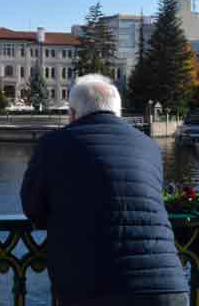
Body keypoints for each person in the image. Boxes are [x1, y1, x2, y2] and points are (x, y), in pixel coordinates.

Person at [20, 74, 188, 306]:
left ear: (72, 114)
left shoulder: (53, 144)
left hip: (95, 285)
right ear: (118, 112)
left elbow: (32, 208)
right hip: (167, 287)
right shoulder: (148, 145)